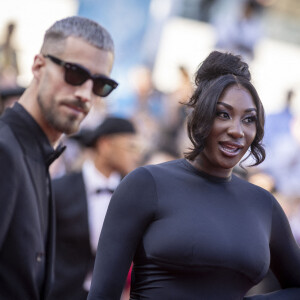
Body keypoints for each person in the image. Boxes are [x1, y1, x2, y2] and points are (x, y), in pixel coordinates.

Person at [87, 51, 300, 300]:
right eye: (224, 114)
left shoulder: (264, 206)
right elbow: (102, 294)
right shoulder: (145, 184)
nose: (237, 130)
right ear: (201, 116)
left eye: (249, 119)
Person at [0, 16, 117, 300]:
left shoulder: (39, 159)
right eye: (74, 74)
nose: (85, 94)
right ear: (38, 65)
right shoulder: (5, 151)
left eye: (100, 85)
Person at [48, 117, 141, 300]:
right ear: (105, 145)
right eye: (130, 147)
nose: (136, 155)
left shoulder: (135, 195)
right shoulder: (59, 190)